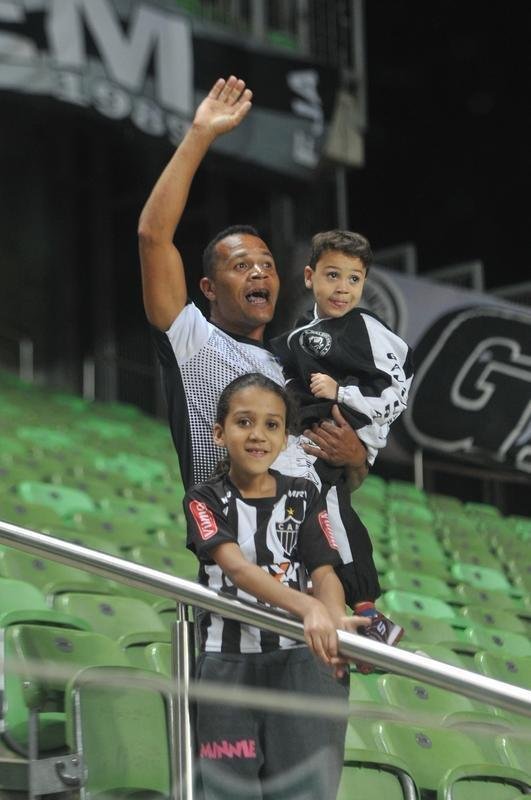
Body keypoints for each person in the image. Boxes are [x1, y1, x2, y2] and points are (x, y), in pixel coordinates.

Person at [138, 75, 378, 611]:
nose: (259, 272)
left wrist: (357, 457)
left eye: (267, 264)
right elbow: (153, 236)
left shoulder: (294, 362)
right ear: (207, 289)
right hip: (240, 568)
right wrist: (199, 135)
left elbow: (333, 477)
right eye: (240, 265)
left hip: (317, 576)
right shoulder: (191, 338)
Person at [184, 372, 371, 799]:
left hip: (298, 666)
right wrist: (309, 610)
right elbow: (239, 571)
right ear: (219, 433)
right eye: (244, 422)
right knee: (229, 791)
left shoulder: (305, 494)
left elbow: (324, 571)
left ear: (285, 438)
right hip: (226, 669)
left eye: (272, 425)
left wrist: (332, 616)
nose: (258, 435)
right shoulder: (204, 499)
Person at [270, 230, 413, 653]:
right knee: (305, 511)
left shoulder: (365, 327)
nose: (343, 288)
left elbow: (399, 387)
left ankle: (368, 616)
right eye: (333, 275)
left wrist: (343, 394)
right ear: (310, 277)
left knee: (330, 510)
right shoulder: (300, 332)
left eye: (354, 279)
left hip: (342, 431)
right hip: (303, 441)